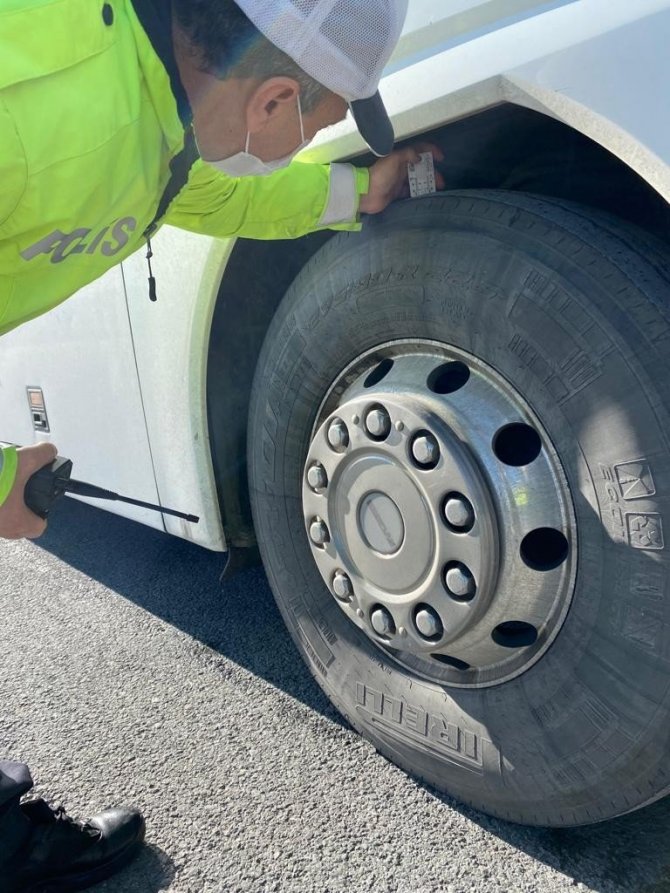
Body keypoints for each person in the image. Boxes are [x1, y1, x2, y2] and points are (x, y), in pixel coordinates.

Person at [0, 0, 440, 889]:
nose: (310, 139)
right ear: (272, 101)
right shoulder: (31, 108)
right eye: (319, 123)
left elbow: (214, 192)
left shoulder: (153, 107)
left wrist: (355, 193)